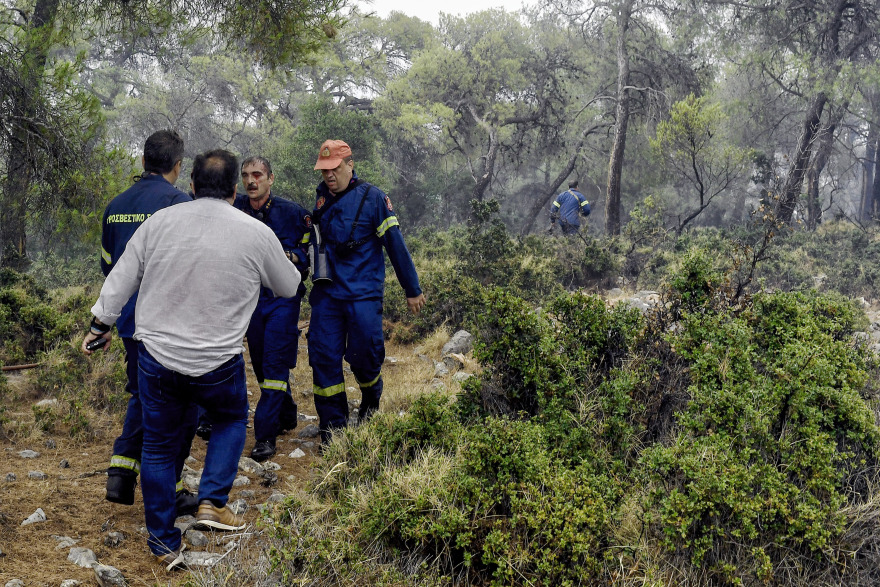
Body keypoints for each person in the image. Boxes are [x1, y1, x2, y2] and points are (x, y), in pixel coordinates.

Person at [82, 149, 301, 569]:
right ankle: (213, 501)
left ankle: (164, 543)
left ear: (193, 186)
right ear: (234, 189)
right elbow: (289, 287)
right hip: (217, 362)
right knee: (231, 419)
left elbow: (120, 279)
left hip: (157, 358)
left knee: (158, 446)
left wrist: (99, 326)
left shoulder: (159, 223)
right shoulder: (255, 231)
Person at [99, 129, 198, 515]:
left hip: (129, 322)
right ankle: (169, 487)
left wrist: (107, 320)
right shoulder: (180, 204)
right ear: (178, 166)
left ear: (143, 161)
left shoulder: (116, 205)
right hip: (170, 324)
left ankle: (121, 473)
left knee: (143, 394)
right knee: (179, 404)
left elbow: (109, 267)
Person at [308, 139, 426, 444]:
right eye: (324, 170)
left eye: (334, 168)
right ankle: (333, 428)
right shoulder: (321, 200)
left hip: (362, 294)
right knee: (323, 357)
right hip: (328, 296)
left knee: (365, 356)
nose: (329, 175)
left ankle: (370, 401)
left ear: (350, 164)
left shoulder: (374, 198)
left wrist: (412, 289)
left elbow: (395, 244)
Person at [234, 156, 310, 462]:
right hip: (251, 299)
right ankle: (287, 413)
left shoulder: (293, 213)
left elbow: (307, 254)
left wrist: (286, 257)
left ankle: (265, 436)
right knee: (262, 364)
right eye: (245, 175)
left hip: (283, 298)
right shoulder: (234, 208)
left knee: (276, 362)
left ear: (270, 178)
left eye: (257, 175)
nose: (251, 181)